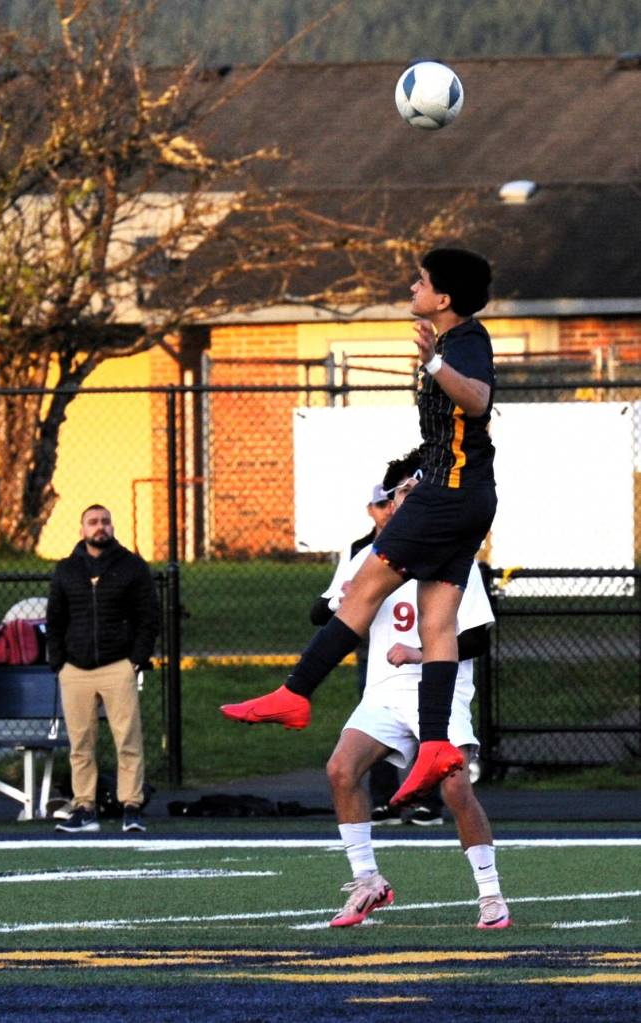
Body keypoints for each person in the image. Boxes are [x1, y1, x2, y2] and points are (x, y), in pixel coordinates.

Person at [221, 247, 496, 804]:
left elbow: (479, 402)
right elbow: (450, 434)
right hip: (462, 495)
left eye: (420, 282)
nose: (411, 288)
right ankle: (438, 744)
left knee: (363, 590)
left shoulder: (464, 342)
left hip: (449, 498)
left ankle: (295, 693)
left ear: (443, 299)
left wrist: (436, 367)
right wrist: (424, 468)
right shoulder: (448, 343)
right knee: (437, 624)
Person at [325, 454, 510, 930]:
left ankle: (490, 893)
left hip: (438, 691)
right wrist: (341, 602)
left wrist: (419, 651)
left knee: (455, 788)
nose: (410, 499)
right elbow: (327, 616)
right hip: (384, 692)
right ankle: (368, 881)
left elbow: (476, 639)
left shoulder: (450, 557)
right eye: (404, 492)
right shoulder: (370, 557)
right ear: (390, 503)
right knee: (342, 769)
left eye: (418, 491)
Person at [46, 504, 159, 834]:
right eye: (93, 522)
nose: (100, 527)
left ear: (113, 527)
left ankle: (132, 806)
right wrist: (60, 663)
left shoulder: (132, 567)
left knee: (128, 738)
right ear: (81, 529)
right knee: (81, 743)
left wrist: (134, 659)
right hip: (75, 670)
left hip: (117, 666)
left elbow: (148, 617)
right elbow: (55, 620)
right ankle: (84, 807)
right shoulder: (67, 569)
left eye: (105, 522)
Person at [310, 483, 400, 823]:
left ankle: (426, 801)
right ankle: (383, 800)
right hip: (375, 652)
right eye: (381, 504)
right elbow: (322, 609)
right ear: (370, 509)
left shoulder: (431, 543)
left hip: (420, 652)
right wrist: (341, 598)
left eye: (394, 502)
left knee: (433, 732)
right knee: (373, 730)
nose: (388, 509)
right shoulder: (362, 551)